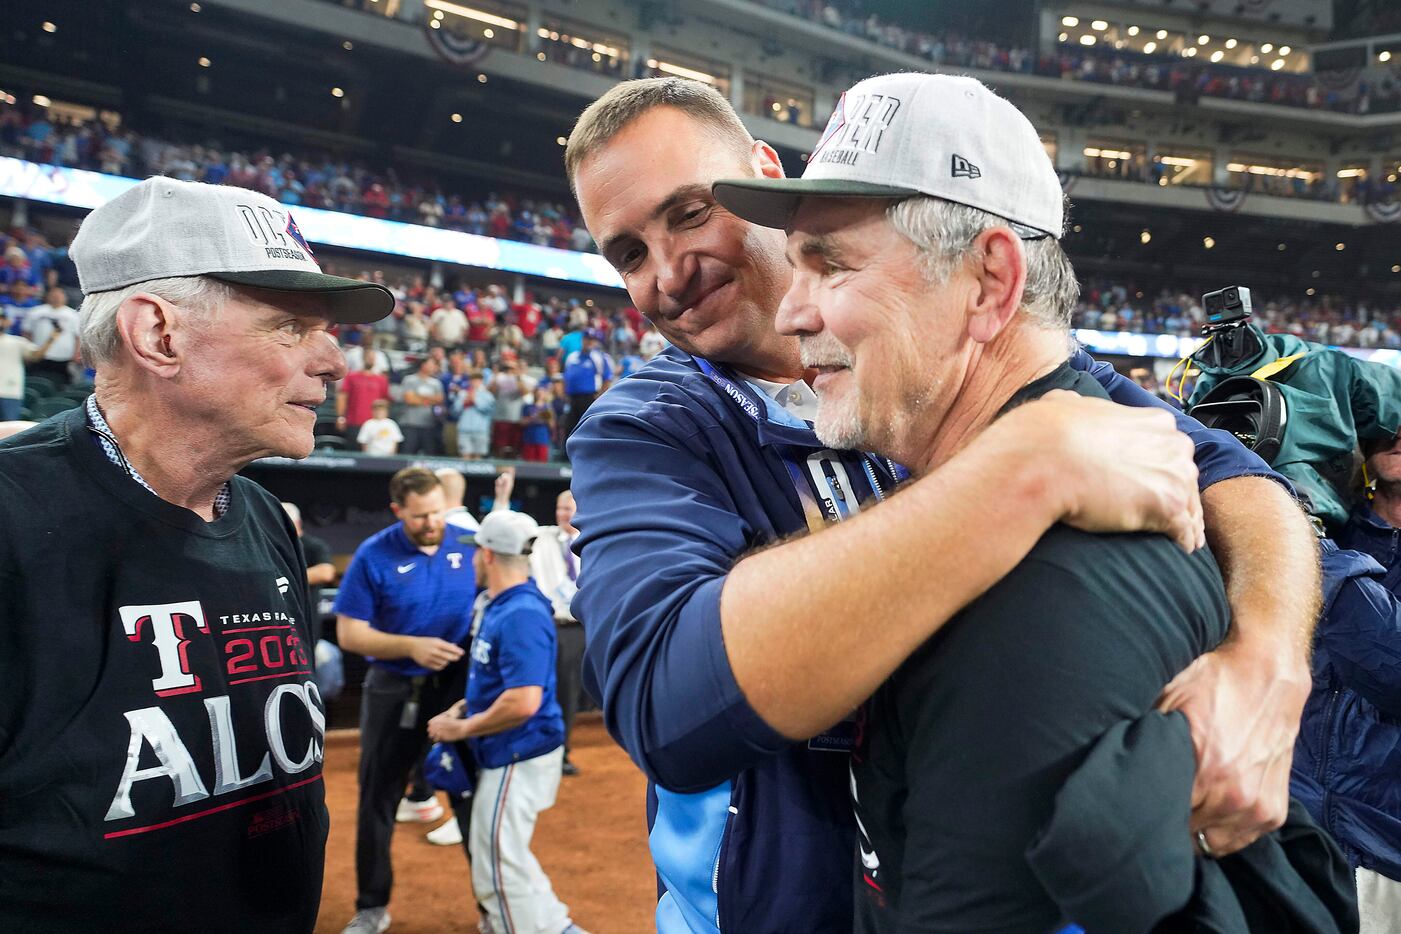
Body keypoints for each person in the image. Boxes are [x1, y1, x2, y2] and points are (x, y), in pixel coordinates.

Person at [563, 77, 1316, 930]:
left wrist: (1268, 653)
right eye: (626, 254)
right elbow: (663, 702)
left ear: (762, 176)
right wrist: (1015, 473)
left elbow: (1234, 480)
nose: (667, 273)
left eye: (690, 213)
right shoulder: (642, 428)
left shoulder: (975, 373)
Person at [0, 176, 394, 931]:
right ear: (158, 335)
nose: (335, 361)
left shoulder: (259, 514)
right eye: (289, 326)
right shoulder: (14, 521)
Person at [334, 467, 478, 934]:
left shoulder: (468, 544)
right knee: (378, 797)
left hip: (454, 690)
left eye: (437, 512)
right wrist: (411, 646)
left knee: (469, 795)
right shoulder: (374, 554)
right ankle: (372, 906)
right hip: (393, 686)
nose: (431, 523)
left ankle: (494, 907)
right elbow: (350, 633)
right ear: (399, 511)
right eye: (419, 517)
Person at [427, 510, 585, 934]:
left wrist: (460, 729)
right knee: (504, 854)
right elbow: (502, 683)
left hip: (520, 751)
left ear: (489, 555)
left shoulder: (520, 613)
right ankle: (556, 926)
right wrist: (464, 707)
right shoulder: (502, 604)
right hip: (509, 748)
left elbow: (522, 701)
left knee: (497, 863)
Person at [1292, 431, 1401, 930]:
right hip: (1277, 832)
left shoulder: (1309, 540)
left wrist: (1298, 544)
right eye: (1389, 423)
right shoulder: (1330, 521)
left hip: (1380, 852)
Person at [530, 490, 586, 776]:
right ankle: (533, 751)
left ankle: (560, 753)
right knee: (535, 688)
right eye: (560, 508)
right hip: (545, 625)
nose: (564, 514)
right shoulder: (542, 538)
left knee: (567, 692)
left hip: (577, 629)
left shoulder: (591, 543)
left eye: (570, 508)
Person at [0, 305, 58, 420]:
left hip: (10, 391)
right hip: (11, 392)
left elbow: (36, 356)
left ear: (7, 321)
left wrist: (52, 338)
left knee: (9, 431)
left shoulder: (17, 341)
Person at [559, 330, 612, 443]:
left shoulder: (598, 357)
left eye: (591, 340)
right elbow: (566, 376)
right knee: (569, 426)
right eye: (586, 339)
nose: (588, 342)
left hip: (589, 396)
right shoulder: (572, 357)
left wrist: (600, 397)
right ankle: (566, 454)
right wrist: (565, 394)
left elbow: (606, 378)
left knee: (586, 426)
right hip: (573, 397)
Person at [23, 284, 80, 386]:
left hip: (63, 357)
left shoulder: (73, 315)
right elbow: (27, 333)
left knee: (62, 384)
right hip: (38, 355)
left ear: (65, 297)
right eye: (53, 294)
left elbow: (78, 337)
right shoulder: (35, 312)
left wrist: (76, 355)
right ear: (47, 296)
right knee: (36, 382)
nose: (56, 297)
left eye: (59, 294)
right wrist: (27, 351)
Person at [337, 344, 391, 443]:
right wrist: (341, 417)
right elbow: (342, 397)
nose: (370, 359)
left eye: (373, 357)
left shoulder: (381, 380)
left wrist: (383, 420)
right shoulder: (352, 377)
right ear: (363, 358)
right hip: (354, 420)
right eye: (368, 357)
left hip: (375, 422)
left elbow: (384, 401)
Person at [398, 357, 444, 455]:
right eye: (431, 364)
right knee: (407, 453)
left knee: (429, 453)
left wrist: (418, 397)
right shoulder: (409, 380)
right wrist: (430, 400)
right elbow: (409, 399)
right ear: (423, 365)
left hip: (429, 424)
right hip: (410, 423)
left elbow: (439, 400)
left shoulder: (436, 383)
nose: (434, 367)